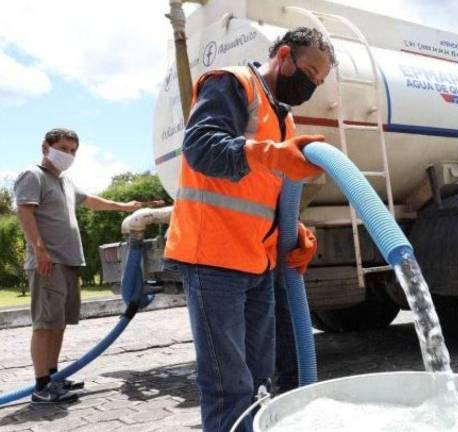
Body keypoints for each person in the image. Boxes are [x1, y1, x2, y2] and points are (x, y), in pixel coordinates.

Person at [164, 27, 335, 431]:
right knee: (229, 385)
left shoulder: (285, 118)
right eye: (309, 71)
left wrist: (293, 229)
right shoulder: (231, 84)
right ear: (285, 54)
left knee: (260, 381)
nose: (311, 84)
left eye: (319, 81)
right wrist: (271, 155)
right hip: (212, 256)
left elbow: (265, 189)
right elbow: (203, 148)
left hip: (257, 260)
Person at [15, 128, 153, 403]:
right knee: (45, 324)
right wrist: (40, 250)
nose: (68, 154)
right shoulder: (33, 175)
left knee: (59, 323)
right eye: (63, 148)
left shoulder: (64, 181)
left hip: (68, 262)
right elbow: (24, 212)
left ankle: (53, 378)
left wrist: (126, 206)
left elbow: (91, 201)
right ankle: (42, 386)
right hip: (49, 261)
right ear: (46, 147)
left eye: (72, 150)